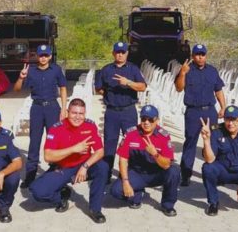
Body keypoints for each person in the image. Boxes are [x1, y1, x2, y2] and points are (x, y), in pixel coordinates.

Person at [29, 98, 109, 224]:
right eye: (74, 113)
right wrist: (73, 149)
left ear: (85, 114)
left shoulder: (90, 125)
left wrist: (85, 166)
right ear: (67, 112)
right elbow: (48, 156)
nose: (77, 117)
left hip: (83, 164)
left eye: (81, 114)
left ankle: (95, 209)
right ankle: (62, 196)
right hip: (64, 167)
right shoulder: (56, 128)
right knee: (37, 191)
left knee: (103, 167)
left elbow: (100, 151)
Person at [109, 104, 179, 216]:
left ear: (157, 120)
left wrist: (155, 154)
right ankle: (137, 194)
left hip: (157, 173)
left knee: (174, 172)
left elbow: (166, 165)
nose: (146, 122)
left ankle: (167, 205)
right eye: (143, 119)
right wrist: (126, 182)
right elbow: (123, 159)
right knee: (116, 191)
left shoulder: (164, 136)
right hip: (137, 174)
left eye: (150, 119)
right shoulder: (131, 133)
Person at [13, 44, 68, 187]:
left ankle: (54, 170)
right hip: (37, 107)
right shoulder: (30, 71)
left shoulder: (55, 69)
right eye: (41, 55)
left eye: (46, 55)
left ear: (50, 56)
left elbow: (63, 88)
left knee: (54, 140)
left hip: (52, 107)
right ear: (37, 56)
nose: (43, 58)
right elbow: (17, 90)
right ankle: (30, 174)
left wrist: (64, 109)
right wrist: (20, 77)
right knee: (34, 140)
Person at [174, 43, 226, 186]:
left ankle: (215, 173)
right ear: (192, 56)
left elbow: (219, 90)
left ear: (206, 55)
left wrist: (223, 107)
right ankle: (186, 174)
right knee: (190, 142)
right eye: (197, 54)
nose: (200, 57)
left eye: (202, 54)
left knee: (213, 141)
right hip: (193, 111)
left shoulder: (212, 71)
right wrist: (183, 73)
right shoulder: (186, 70)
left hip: (210, 111)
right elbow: (179, 88)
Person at [96, 41, 147, 179]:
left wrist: (128, 82)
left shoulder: (133, 69)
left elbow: (142, 87)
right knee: (109, 143)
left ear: (127, 53)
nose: (120, 54)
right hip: (112, 111)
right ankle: (106, 174)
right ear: (113, 53)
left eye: (122, 52)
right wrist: (110, 95)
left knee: (131, 142)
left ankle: (129, 173)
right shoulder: (106, 69)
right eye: (117, 52)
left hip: (128, 111)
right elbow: (99, 88)